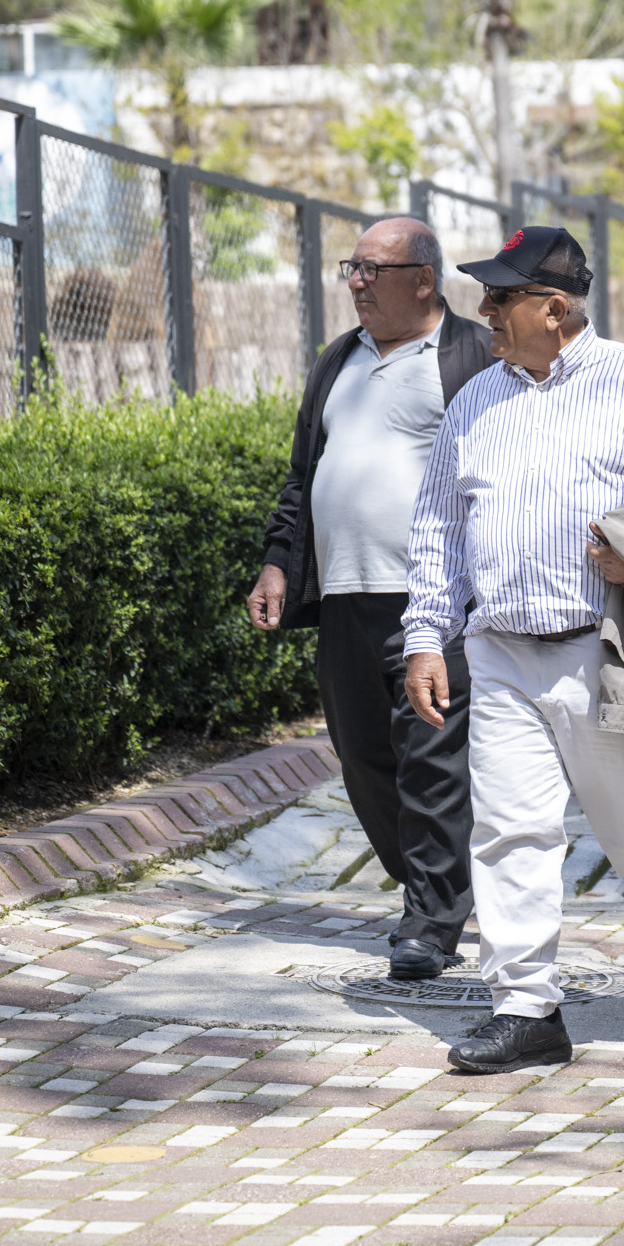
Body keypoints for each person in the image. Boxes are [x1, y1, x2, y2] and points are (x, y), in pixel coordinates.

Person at [402, 225, 624, 1074]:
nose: (483, 310)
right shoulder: (477, 400)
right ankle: (525, 1006)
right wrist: (424, 634)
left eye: (501, 296)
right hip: (503, 649)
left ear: (554, 309)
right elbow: (440, 526)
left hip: (609, 647)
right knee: (510, 830)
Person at [248, 217, 492, 981]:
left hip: (435, 600)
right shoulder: (337, 361)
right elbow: (302, 476)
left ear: (424, 278)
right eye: (350, 267)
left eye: (371, 269)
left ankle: (430, 918)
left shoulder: (470, 357)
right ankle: (443, 884)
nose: (355, 281)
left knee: (432, 758)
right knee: (363, 758)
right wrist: (278, 563)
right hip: (348, 596)